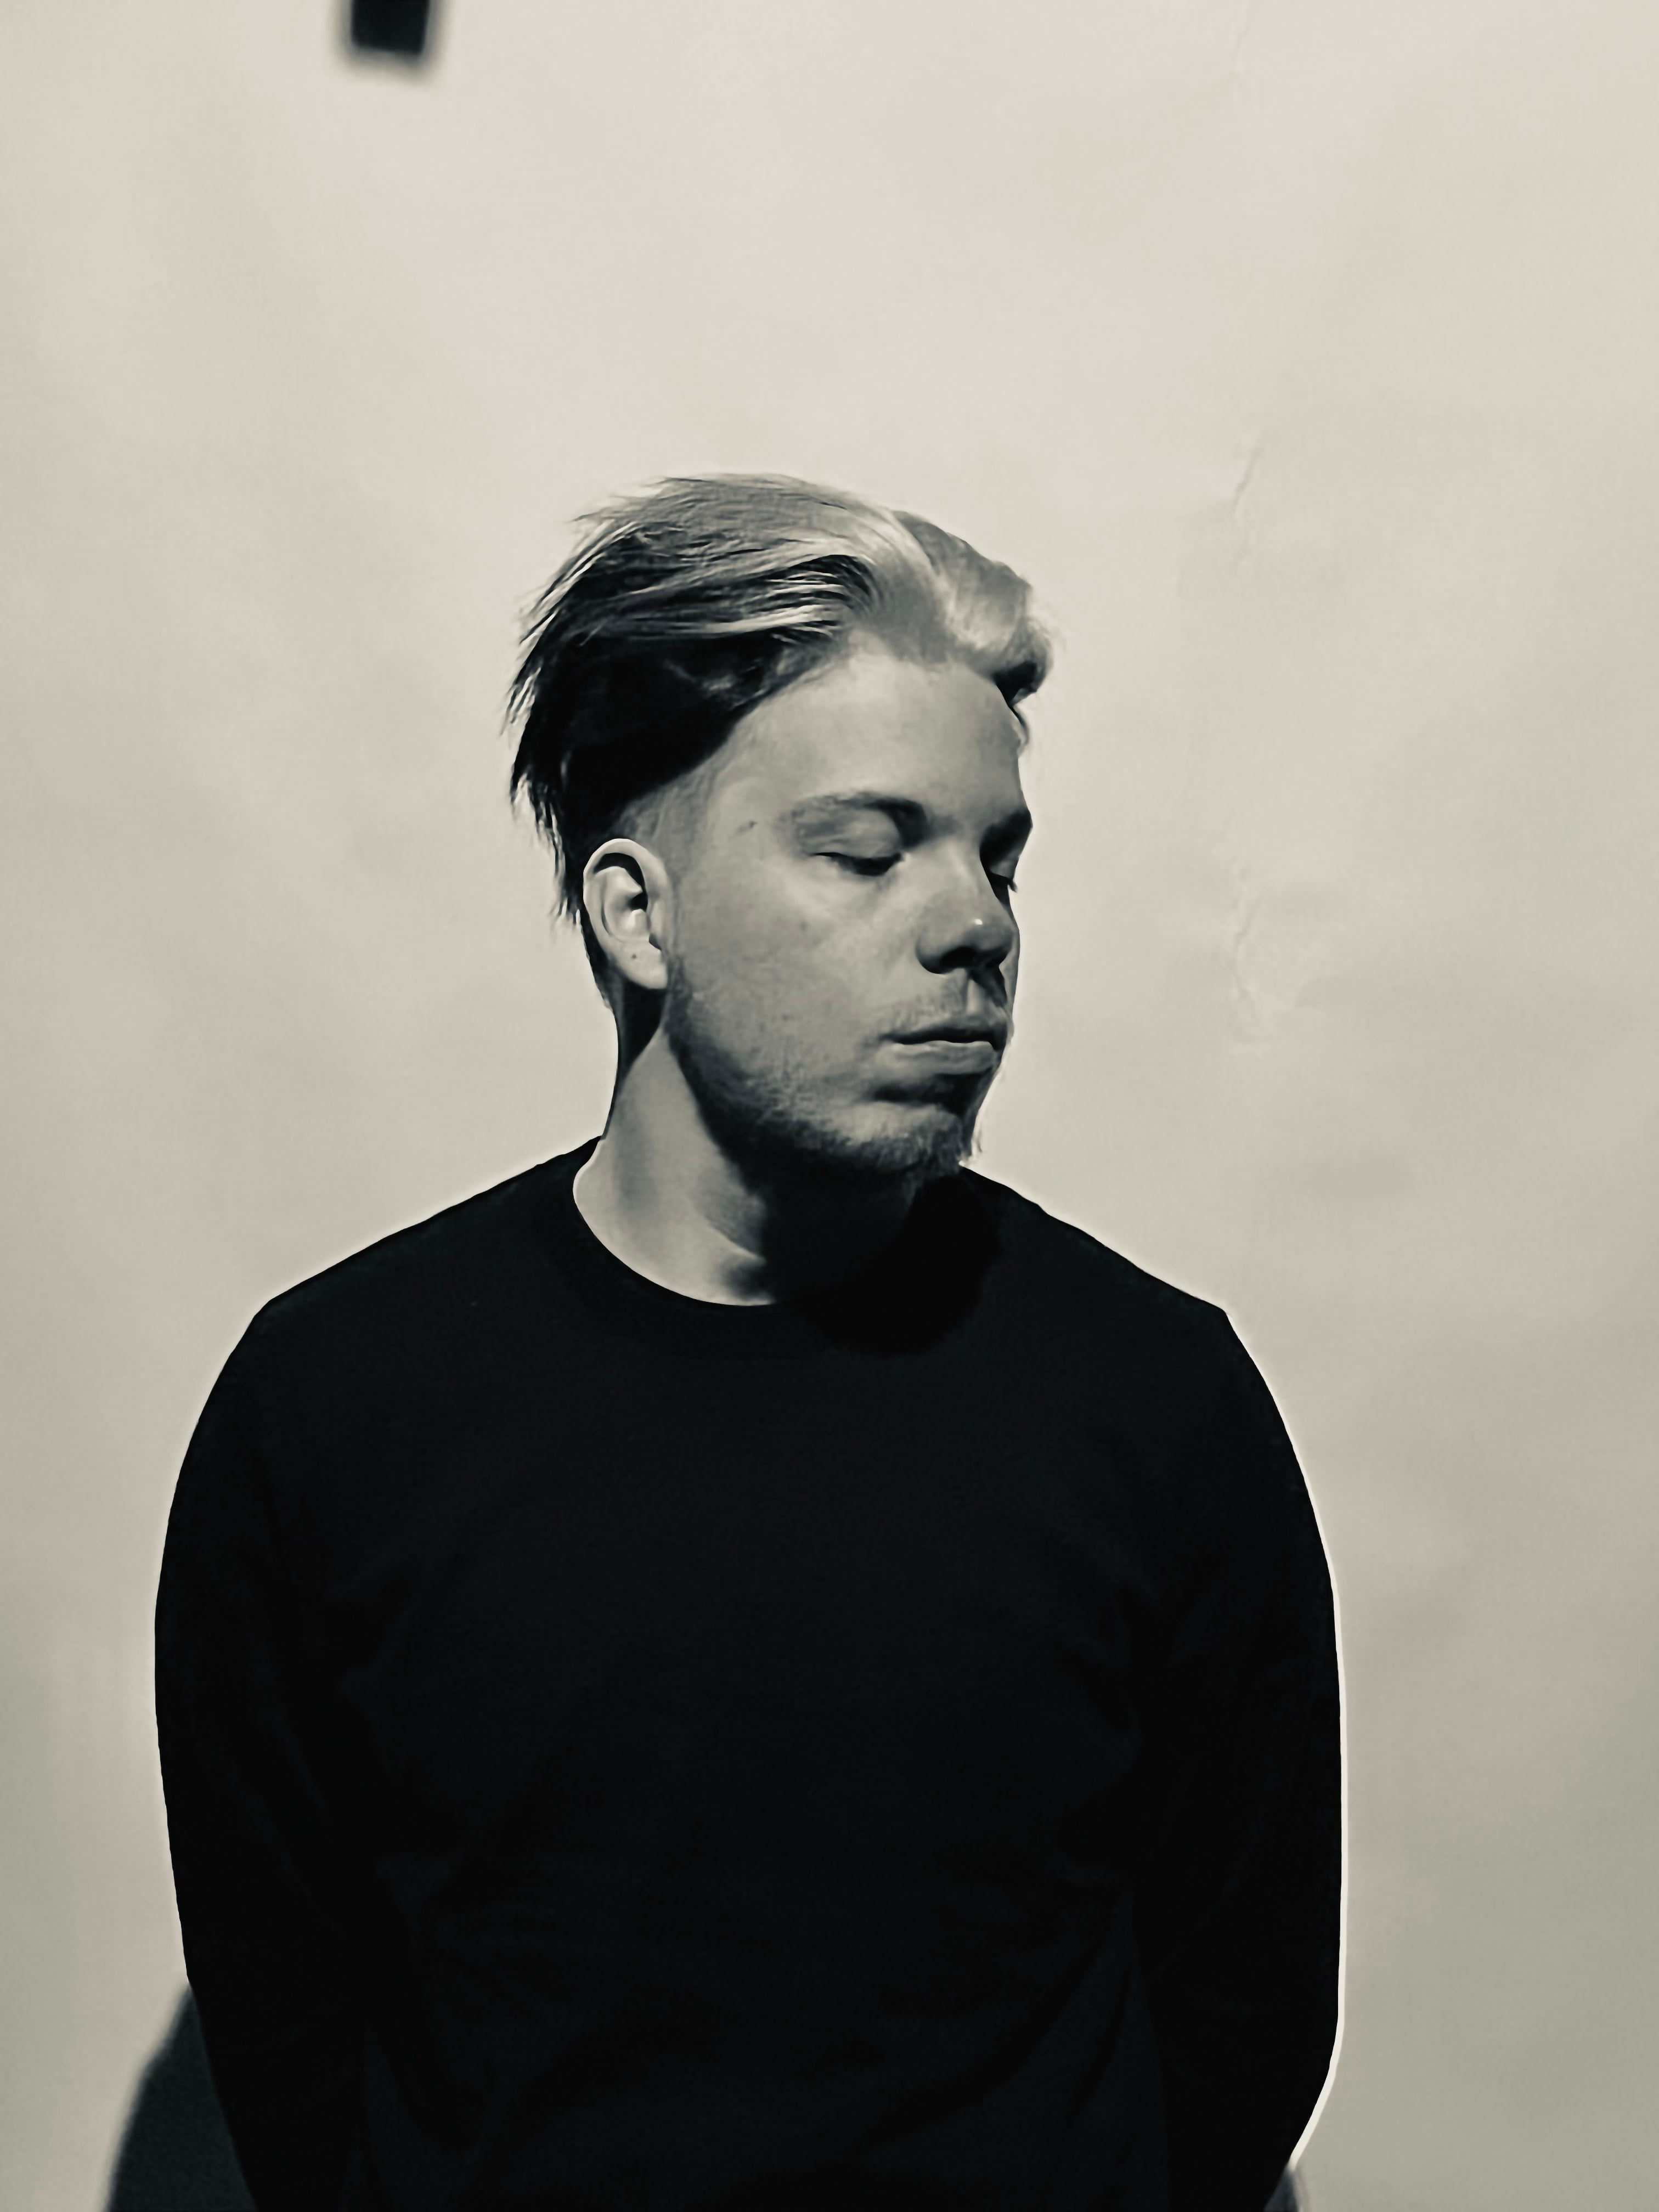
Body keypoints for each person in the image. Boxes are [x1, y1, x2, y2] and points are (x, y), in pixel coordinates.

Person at [155, 476, 1341, 2212]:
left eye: (998, 854)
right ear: (639, 916)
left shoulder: (1159, 1408)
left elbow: (1240, 2035)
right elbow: (296, 2049)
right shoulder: (331, 1413)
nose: (978, 925)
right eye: (868, 851)